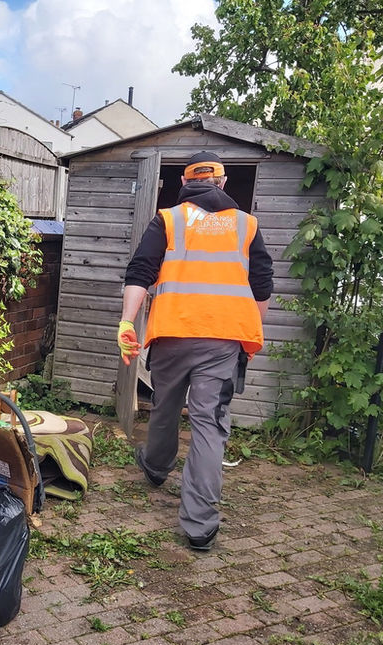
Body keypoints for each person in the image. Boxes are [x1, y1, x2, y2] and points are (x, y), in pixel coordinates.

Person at [117, 151, 273, 551]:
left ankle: (155, 466)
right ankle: (200, 525)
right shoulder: (246, 225)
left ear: (186, 185)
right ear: (222, 183)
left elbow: (140, 272)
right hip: (222, 339)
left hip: (172, 333)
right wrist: (252, 331)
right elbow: (262, 284)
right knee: (209, 424)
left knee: (166, 405)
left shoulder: (168, 219)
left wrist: (126, 321)